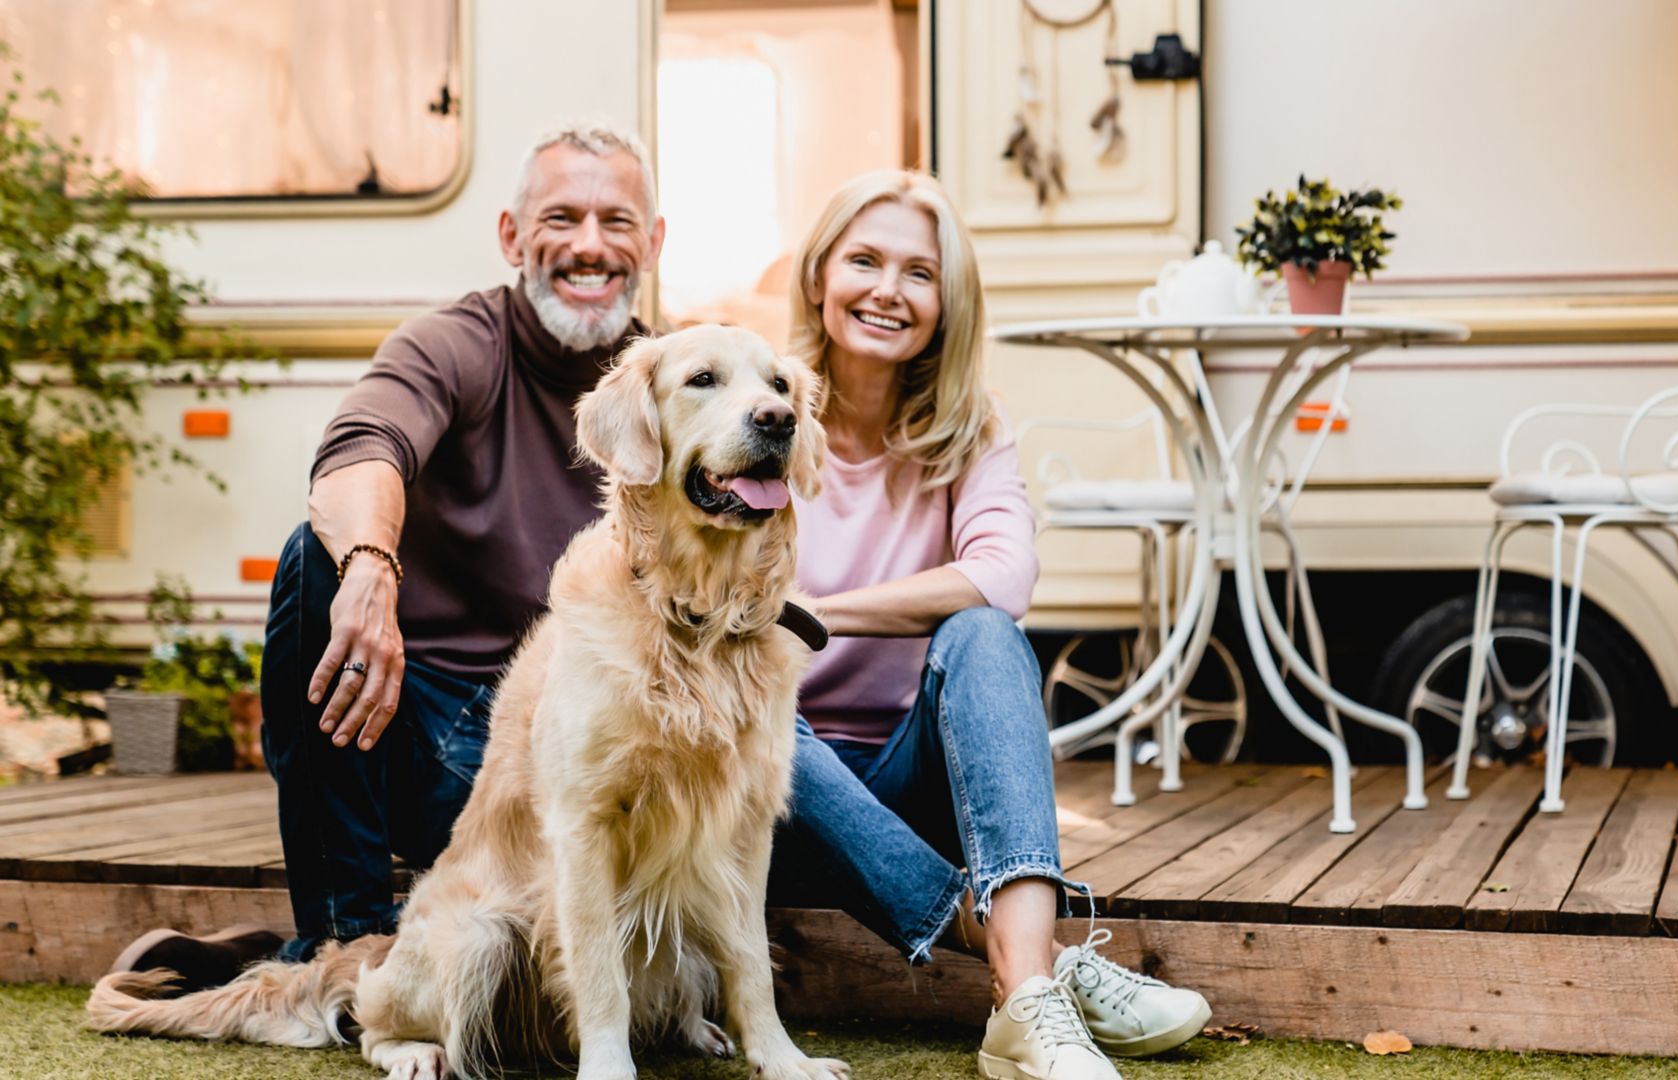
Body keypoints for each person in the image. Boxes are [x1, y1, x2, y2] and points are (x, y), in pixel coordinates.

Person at [107, 121, 666, 980]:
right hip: (434, 747)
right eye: (562, 218)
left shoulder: (683, 375)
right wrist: (369, 566)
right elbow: (360, 446)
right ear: (513, 236)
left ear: (653, 242)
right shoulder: (454, 343)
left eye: (617, 221)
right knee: (312, 558)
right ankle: (346, 938)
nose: (590, 246)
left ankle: (348, 948)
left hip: (593, 759)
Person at [768, 170, 1211, 1080]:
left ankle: (1026, 997)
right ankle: (1034, 973)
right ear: (819, 277)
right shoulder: (762, 411)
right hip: (771, 800)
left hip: (911, 777)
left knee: (985, 635)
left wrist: (821, 615)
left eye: (919, 273)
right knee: (757, 713)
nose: (889, 289)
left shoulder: (970, 428)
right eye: (864, 260)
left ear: (946, 302)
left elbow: (1004, 578)